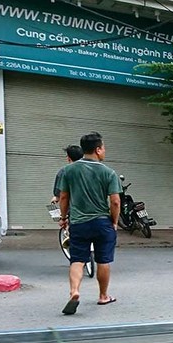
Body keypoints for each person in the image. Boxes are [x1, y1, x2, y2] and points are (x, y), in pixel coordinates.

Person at [57, 132, 122, 315]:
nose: (104, 151)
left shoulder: (68, 170)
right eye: (104, 148)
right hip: (102, 222)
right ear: (98, 149)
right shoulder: (108, 172)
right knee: (103, 259)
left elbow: (63, 196)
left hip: (78, 222)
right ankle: (103, 296)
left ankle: (74, 291)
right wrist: (114, 222)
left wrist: (63, 218)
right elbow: (115, 201)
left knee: (77, 259)